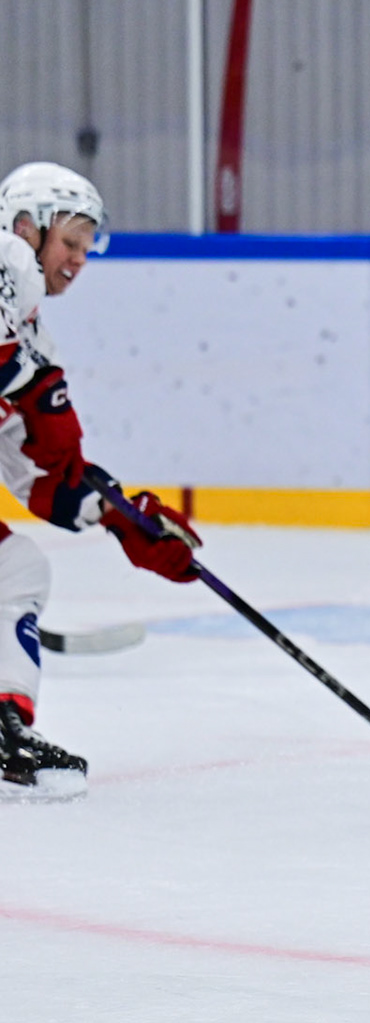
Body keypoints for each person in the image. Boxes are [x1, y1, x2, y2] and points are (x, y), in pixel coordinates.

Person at [0, 163, 201, 800]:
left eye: (87, 247)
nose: (80, 259)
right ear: (25, 228)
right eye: (69, 241)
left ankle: (4, 728)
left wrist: (122, 516)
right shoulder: (6, 266)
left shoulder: (31, 336)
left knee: (16, 569)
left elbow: (40, 474)